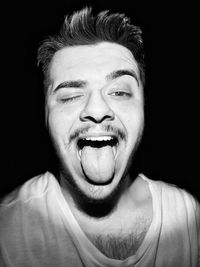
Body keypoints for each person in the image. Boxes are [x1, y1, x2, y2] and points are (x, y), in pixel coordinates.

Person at [0, 7, 199, 267]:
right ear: (45, 114)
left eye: (119, 92)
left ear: (144, 107)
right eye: (71, 95)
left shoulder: (187, 215)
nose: (97, 110)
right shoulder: (6, 228)